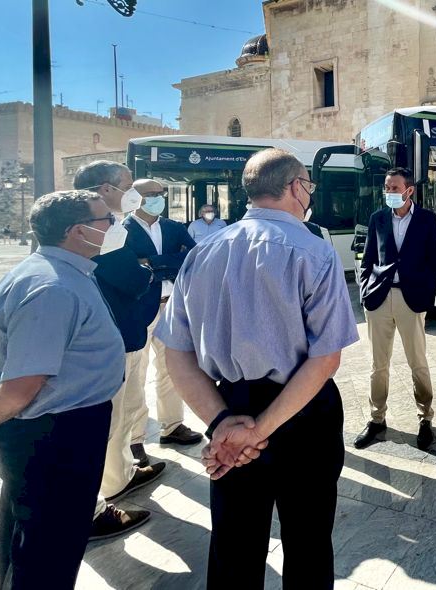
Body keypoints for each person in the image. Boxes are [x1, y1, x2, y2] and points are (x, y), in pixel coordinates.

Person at [156, 148, 358, 588]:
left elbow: (177, 354)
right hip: (303, 410)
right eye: (308, 185)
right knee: (308, 540)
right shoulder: (314, 252)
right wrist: (260, 429)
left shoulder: (202, 253)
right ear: (295, 187)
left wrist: (223, 424)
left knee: (234, 544)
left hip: (229, 408)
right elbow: (325, 357)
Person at [0, 190, 125, 588]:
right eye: (106, 220)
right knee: (49, 547)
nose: (114, 226)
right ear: (77, 231)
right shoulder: (52, 288)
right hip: (55, 437)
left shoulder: (62, 271)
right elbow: (19, 389)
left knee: (32, 537)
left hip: (59, 430)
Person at [74, 160, 160, 539]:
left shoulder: (108, 226)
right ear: (105, 189)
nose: (133, 193)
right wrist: (145, 270)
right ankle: (95, 507)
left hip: (122, 332)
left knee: (121, 414)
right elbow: (134, 277)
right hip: (111, 339)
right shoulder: (95, 230)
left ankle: (119, 476)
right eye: (128, 185)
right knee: (106, 422)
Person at [354, 167, 436, 451]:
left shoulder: (427, 220)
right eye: (387, 187)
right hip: (379, 299)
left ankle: (425, 419)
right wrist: (366, 290)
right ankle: (376, 419)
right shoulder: (378, 218)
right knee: (378, 365)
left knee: (418, 363)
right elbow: (368, 259)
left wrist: (425, 296)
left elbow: (435, 264)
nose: (389, 192)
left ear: (409, 190)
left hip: (411, 300)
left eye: (394, 188)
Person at [124, 179, 203, 469]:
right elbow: (129, 267)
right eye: (151, 194)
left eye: (161, 194)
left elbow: (193, 256)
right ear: (135, 197)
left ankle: (173, 426)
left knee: (171, 369)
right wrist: (169, 263)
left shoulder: (173, 227)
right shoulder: (122, 230)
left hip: (172, 306)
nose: (158, 198)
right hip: (139, 310)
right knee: (136, 375)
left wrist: (153, 262)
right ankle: (134, 440)